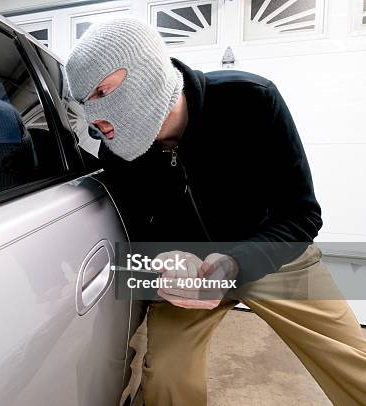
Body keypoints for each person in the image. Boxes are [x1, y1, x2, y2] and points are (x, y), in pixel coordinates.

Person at [64, 17, 366, 405]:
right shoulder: (119, 153)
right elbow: (135, 233)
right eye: (84, 103)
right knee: (167, 378)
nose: (94, 122)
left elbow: (301, 214)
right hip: (192, 274)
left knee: (354, 365)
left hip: (274, 254)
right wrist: (163, 261)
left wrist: (235, 263)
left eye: (102, 92)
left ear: (145, 71)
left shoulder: (252, 100)